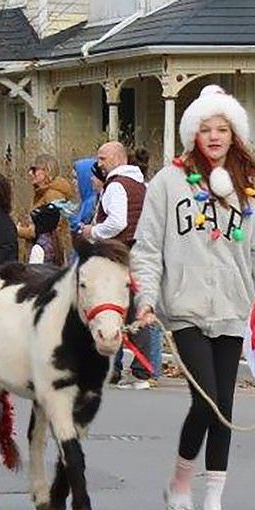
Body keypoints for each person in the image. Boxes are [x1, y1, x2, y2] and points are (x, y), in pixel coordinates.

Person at [131, 85, 255, 510]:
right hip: (185, 306)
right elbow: (146, 248)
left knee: (226, 404)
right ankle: (181, 483)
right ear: (191, 134)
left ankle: (213, 501)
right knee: (208, 399)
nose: (214, 137)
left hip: (234, 308)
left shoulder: (251, 189)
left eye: (222, 129)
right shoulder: (168, 182)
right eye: (205, 128)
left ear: (234, 133)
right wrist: (146, 299)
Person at [79, 141, 159, 388]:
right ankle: (138, 369)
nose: (99, 163)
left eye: (102, 158)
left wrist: (92, 231)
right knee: (137, 309)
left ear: (117, 159)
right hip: (139, 253)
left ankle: (133, 370)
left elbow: (117, 222)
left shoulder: (115, 186)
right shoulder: (139, 184)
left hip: (120, 255)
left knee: (114, 309)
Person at [17, 153, 74, 266]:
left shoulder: (53, 195)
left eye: (34, 170)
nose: (30, 174)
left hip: (47, 255)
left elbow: (51, 227)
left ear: (47, 170)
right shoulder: (41, 193)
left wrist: (20, 231)